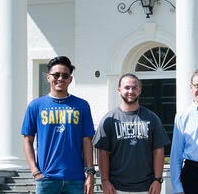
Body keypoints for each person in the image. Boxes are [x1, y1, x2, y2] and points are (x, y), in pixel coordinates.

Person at [22, 56, 97, 194]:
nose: (60, 78)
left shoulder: (82, 105)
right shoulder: (36, 106)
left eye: (65, 75)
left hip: (75, 179)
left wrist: (90, 173)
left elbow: (87, 141)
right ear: (48, 77)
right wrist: (35, 172)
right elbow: (28, 141)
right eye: (56, 75)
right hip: (46, 179)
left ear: (70, 79)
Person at [94, 73, 170, 194]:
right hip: (116, 187)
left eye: (134, 87)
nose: (131, 91)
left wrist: (158, 180)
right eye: (127, 87)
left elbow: (158, 151)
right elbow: (103, 152)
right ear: (119, 90)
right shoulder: (109, 119)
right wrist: (105, 181)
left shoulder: (152, 118)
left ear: (139, 90)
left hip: (146, 187)